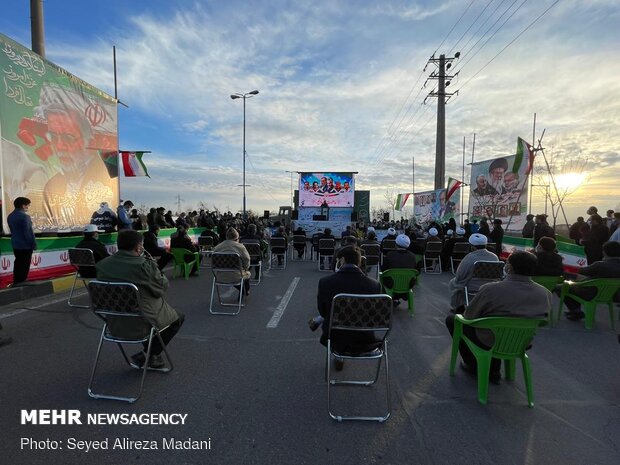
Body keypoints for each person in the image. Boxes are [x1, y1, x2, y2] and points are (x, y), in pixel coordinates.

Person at [445, 251, 550, 383]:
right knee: (500, 328)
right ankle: (494, 369)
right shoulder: (544, 293)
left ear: (510, 267)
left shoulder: (490, 289)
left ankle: (473, 364)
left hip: (490, 339)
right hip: (521, 342)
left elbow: (469, 316)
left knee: (453, 320)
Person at [96, 230, 184, 369]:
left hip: (114, 322)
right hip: (140, 321)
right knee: (178, 318)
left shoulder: (102, 265)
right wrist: (154, 267)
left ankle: (151, 356)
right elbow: (162, 287)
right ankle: (148, 354)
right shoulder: (143, 265)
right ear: (138, 247)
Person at [41, 104, 116, 228]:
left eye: (68, 138)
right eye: (53, 137)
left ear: (90, 142)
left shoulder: (107, 174)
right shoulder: (51, 185)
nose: (59, 146)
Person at [315, 246, 383, 370]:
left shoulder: (325, 282)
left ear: (342, 260)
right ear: (359, 261)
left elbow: (323, 311)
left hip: (335, 337)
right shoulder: (374, 285)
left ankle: (339, 356)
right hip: (366, 339)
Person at [558, 241, 620, 321]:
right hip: (611, 295)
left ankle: (575, 310)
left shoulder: (600, 265)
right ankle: (576, 311)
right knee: (575, 280)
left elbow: (581, 271)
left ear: (604, 252)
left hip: (591, 293)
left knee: (561, 286)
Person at [448, 233, 499, 310]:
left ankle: (458, 306)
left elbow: (460, 275)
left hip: (472, 286)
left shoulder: (469, 257)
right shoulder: (494, 257)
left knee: (455, 282)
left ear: (472, 246)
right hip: (491, 285)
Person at [212, 227, 251, 296]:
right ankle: (245, 290)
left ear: (226, 237)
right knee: (247, 274)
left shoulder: (217, 248)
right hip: (237, 275)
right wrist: (245, 268)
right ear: (237, 238)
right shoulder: (240, 247)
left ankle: (242, 290)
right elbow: (247, 260)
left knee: (236, 275)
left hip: (219, 276)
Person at [7, 197, 37, 285]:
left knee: (18, 262)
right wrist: (33, 244)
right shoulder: (25, 216)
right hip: (25, 245)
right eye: (28, 205)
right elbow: (28, 233)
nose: (28, 207)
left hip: (15, 243)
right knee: (25, 263)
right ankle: (22, 280)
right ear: (23, 206)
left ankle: (17, 280)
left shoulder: (10, 216)